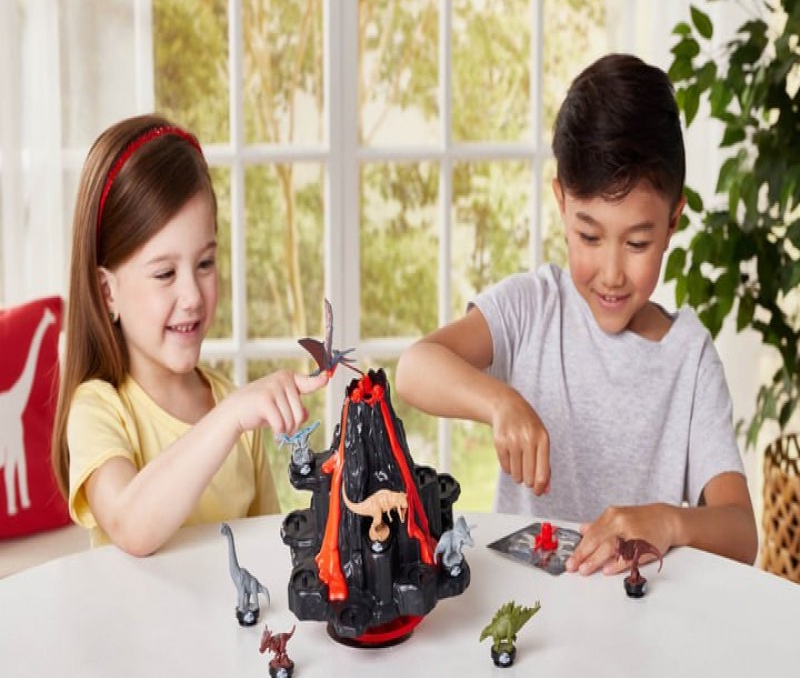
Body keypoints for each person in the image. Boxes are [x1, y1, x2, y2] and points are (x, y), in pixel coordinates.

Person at [396, 54, 758, 574]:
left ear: (673, 220)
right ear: (562, 203)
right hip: (528, 612)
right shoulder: (532, 309)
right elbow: (414, 367)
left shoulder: (689, 358)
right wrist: (499, 402)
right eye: (589, 236)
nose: (611, 273)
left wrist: (668, 521)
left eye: (637, 243)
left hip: (640, 614)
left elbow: (741, 533)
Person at [52, 115, 328, 556]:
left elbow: (271, 552)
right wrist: (229, 417)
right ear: (107, 292)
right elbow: (130, 525)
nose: (193, 296)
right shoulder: (98, 410)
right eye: (165, 273)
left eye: (205, 264)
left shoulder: (235, 413)